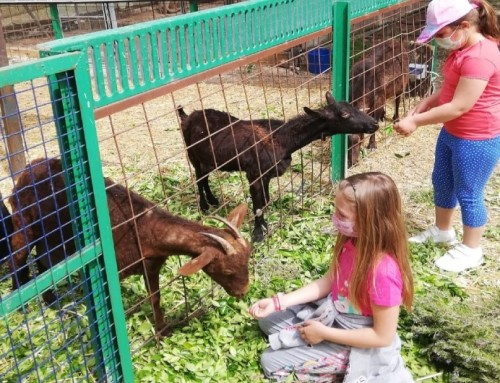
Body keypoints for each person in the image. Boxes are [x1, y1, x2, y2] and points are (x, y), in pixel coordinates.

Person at [248, 172, 414, 382]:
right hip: (334, 317)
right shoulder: (351, 243)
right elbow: (329, 281)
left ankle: (338, 364)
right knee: (269, 321)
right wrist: (278, 302)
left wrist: (324, 334)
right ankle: (320, 345)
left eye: (342, 215)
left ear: (369, 220)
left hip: (355, 339)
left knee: (269, 361)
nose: (335, 217)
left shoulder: (383, 272)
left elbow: (382, 336)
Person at [395, 0, 500, 273]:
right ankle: (443, 231)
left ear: (463, 26)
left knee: (469, 192)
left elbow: (460, 105)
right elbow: (451, 89)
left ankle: (471, 249)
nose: (438, 41)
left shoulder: (479, 57)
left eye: (440, 34)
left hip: (477, 138)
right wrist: (428, 102)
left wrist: (416, 121)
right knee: (442, 181)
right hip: (454, 132)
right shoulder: (463, 48)